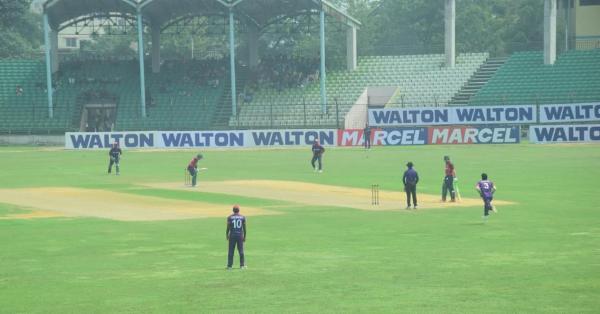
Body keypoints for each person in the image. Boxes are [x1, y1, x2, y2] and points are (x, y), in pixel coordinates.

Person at [226, 205, 247, 270]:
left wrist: (227, 234)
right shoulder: (242, 217)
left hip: (232, 235)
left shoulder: (229, 217)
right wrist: (244, 236)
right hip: (240, 235)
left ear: (233, 210)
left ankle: (229, 266)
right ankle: (242, 265)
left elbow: (228, 227)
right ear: (239, 210)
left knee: (231, 251)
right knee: (241, 250)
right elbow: (244, 228)